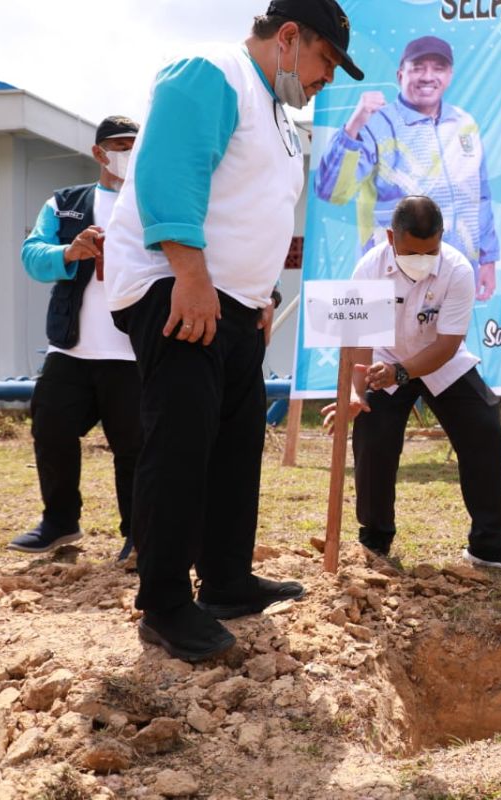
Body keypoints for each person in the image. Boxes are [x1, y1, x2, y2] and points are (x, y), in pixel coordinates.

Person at [103, 0, 364, 662]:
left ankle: (225, 579)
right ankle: (163, 604)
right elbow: (170, 173)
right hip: (179, 288)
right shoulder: (210, 72)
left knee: (236, 445)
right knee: (183, 442)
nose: (325, 80)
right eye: (325, 61)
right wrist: (189, 275)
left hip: (237, 304)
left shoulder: (274, 111)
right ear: (287, 38)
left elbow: (251, 210)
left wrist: (261, 294)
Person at [322, 196, 501, 572]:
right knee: (373, 435)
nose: (421, 259)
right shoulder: (368, 268)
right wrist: (356, 391)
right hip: (384, 359)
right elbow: (359, 339)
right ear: (390, 237)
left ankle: (489, 544)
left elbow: (447, 345)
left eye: (430, 250)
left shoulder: (458, 270)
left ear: (442, 237)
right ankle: (375, 537)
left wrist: (402, 372)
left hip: (439, 361)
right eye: (411, 251)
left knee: (483, 426)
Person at [9, 116, 142, 561]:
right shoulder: (66, 202)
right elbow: (32, 255)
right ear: (99, 152)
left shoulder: (155, 202)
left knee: (135, 448)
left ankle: (138, 535)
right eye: (119, 145)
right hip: (71, 348)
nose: (127, 153)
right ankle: (60, 522)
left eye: (134, 145)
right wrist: (68, 251)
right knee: (51, 430)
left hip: (133, 352)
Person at [313, 35, 499, 301]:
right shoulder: (377, 124)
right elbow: (331, 191)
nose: (428, 76)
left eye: (438, 68)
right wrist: (354, 126)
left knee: (448, 344)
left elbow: (480, 196)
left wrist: (488, 259)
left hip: (452, 276)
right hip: (391, 278)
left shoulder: (464, 123)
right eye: (418, 67)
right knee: (383, 345)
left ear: (449, 74)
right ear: (400, 74)